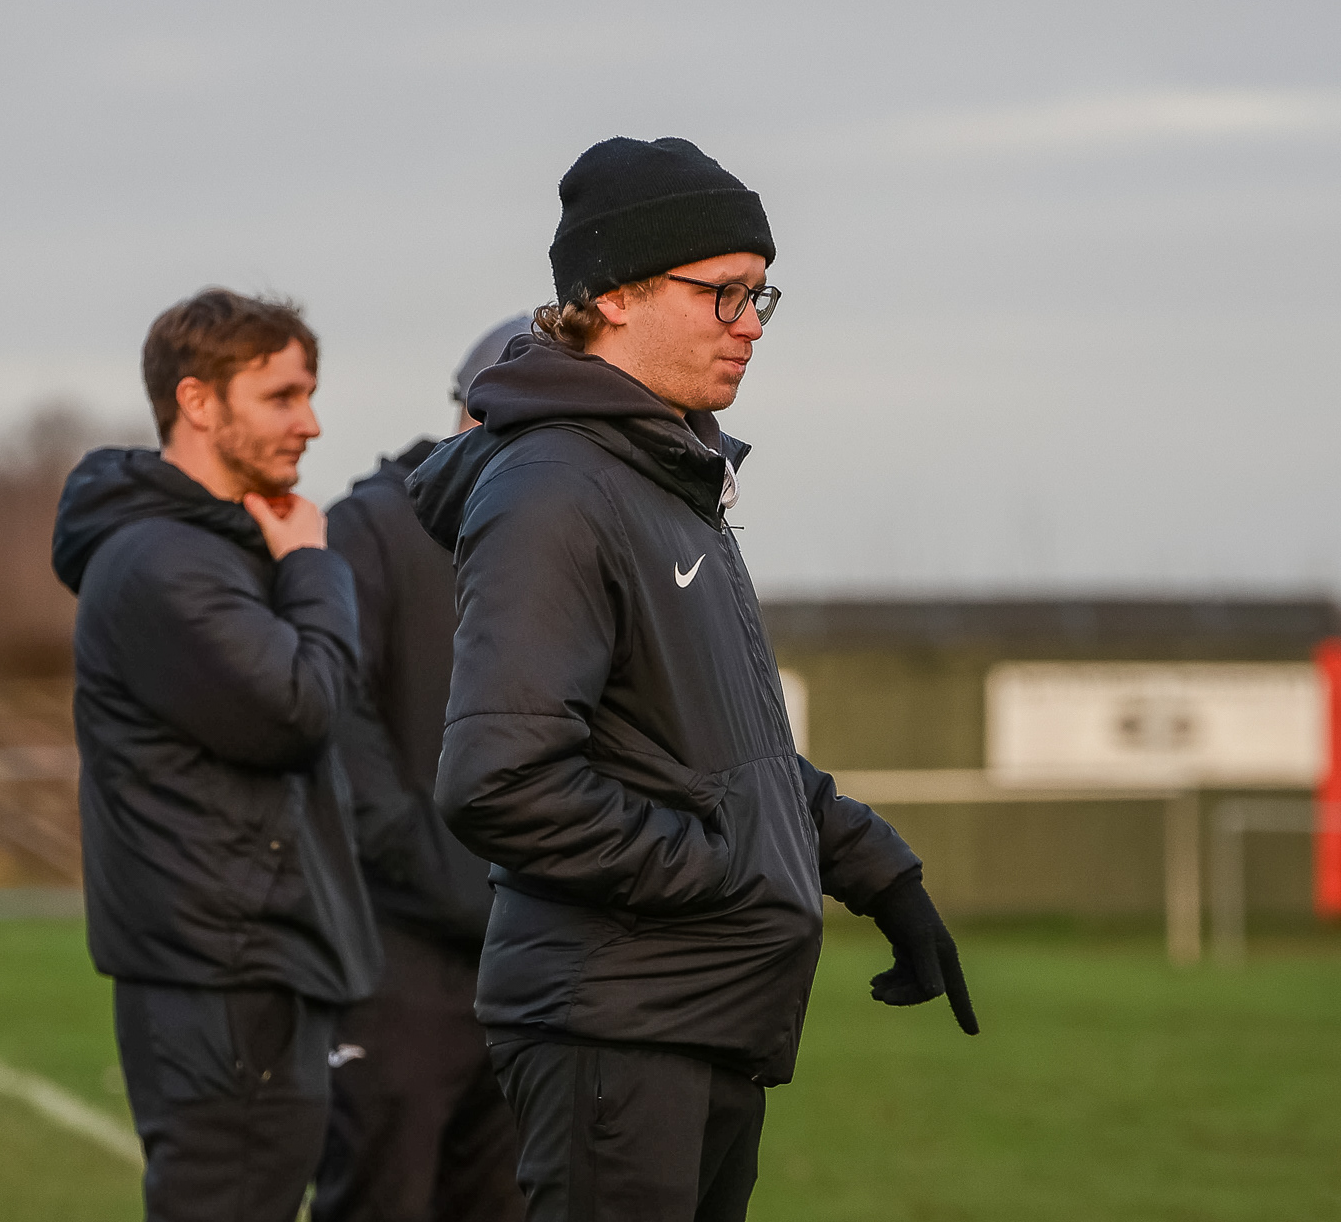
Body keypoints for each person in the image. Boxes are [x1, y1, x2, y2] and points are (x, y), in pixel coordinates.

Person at [407, 137, 978, 1222]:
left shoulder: (670, 478)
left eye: (760, 294)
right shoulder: (556, 487)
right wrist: (719, 874)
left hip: (695, 1017)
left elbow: (723, 754)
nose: (750, 322)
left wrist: (878, 874)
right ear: (613, 297)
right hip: (617, 1025)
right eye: (722, 293)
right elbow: (501, 778)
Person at [51, 288, 381, 1222]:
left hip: (242, 966)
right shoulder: (167, 561)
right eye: (281, 397)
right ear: (197, 402)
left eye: (309, 394)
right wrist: (312, 564)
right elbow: (303, 709)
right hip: (223, 973)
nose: (311, 423)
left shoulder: (210, 545)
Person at [310, 314, 531, 1222]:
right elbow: (338, 731)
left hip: (528, 976)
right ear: (475, 411)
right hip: (392, 966)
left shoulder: (556, 540)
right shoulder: (367, 530)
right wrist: (456, 883)